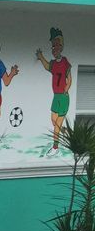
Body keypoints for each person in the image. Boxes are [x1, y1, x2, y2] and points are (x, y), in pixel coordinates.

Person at [35, 27, 71, 156]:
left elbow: (69, 78)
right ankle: (64, 132)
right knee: (53, 119)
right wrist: (40, 57)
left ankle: (55, 147)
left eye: (56, 46)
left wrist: (66, 89)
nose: (54, 49)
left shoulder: (65, 62)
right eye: (52, 46)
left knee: (56, 126)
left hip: (63, 97)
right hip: (56, 96)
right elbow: (47, 66)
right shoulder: (54, 64)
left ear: (61, 46)